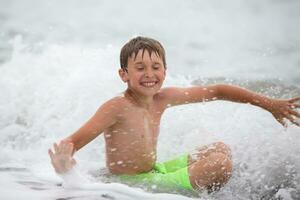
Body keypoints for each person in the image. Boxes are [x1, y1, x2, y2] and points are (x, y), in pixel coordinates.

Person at [48, 36, 300, 191]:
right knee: (220, 165)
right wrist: (63, 165)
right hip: (129, 184)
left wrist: (269, 104)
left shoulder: (162, 99)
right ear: (124, 74)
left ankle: (190, 190)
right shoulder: (117, 107)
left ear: (165, 71)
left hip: (153, 172)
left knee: (220, 149)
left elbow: (218, 90)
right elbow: (72, 142)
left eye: (155, 66)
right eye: (140, 68)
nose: (149, 73)